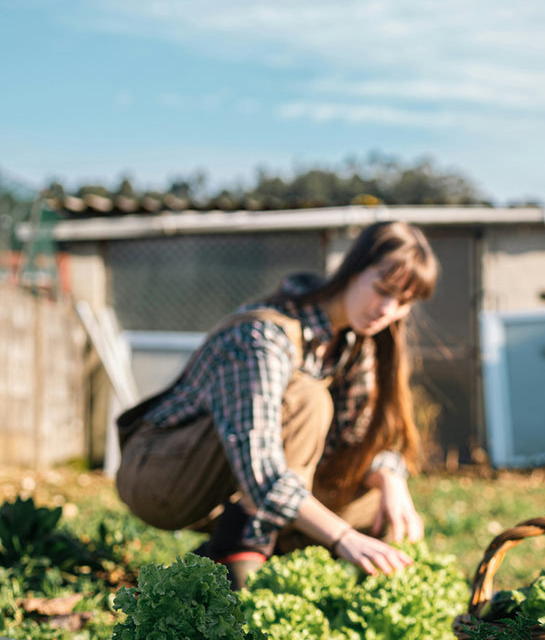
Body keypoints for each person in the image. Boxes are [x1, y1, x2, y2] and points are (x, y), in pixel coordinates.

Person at [115, 220, 439, 590]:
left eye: (403, 302)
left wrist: (391, 480)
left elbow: (356, 438)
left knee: (376, 512)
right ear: (352, 269)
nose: (387, 309)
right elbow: (262, 472)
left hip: (240, 485)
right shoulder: (263, 337)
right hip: (164, 477)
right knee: (308, 398)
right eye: (382, 290)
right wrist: (344, 538)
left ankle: (235, 552)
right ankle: (239, 553)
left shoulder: (354, 340)